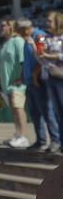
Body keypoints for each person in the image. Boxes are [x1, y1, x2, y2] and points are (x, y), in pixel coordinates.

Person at [21, 17, 60, 152]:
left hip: (39, 81)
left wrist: (35, 75)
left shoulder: (39, 36)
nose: (19, 33)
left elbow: (41, 57)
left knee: (47, 112)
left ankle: (55, 140)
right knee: (34, 113)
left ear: (25, 28)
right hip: (31, 82)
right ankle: (41, 140)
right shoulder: (29, 38)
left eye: (20, 30)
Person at [0, 18, 30, 147]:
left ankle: (23, 136)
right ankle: (17, 135)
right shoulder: (6, 43)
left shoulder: (18, 41)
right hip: (7, 85)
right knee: (14, 110)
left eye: (3, 25)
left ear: (10, 27)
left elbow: (24, 61)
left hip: (17, 84)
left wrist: (21, 79)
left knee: (18, 109)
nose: (1, 27)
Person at [39, 10, 63, 154]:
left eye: (50, 21)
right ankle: (60, 142)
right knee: (58, 112)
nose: (47, 24)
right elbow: (42, 60)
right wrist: (40, 54)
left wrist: (48, 55)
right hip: (50, 77)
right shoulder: (46, 39)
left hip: (60, 78)